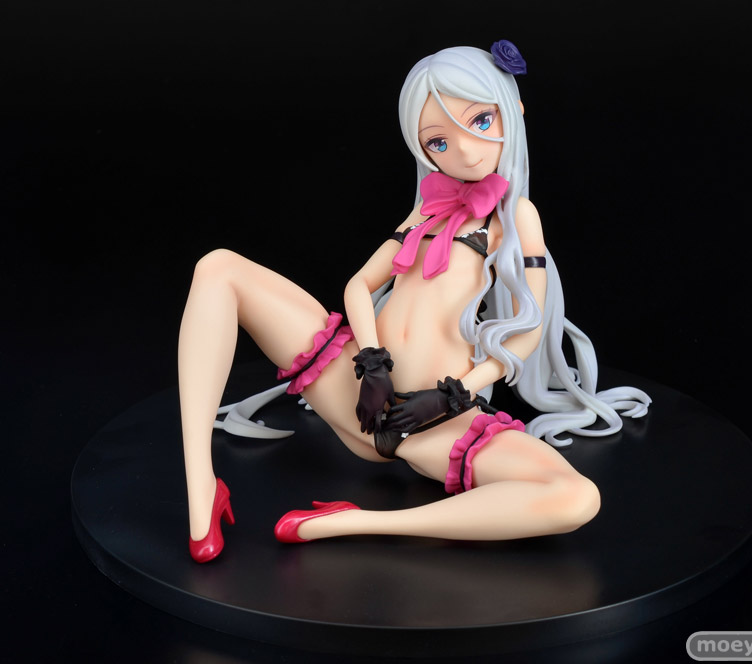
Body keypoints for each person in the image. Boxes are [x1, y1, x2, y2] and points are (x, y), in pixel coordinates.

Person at [179, 41, 650, 563]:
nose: (465, 151)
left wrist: (453, 396)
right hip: (355, 391)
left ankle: (354, 523)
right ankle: (202, 489)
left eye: (481, 121)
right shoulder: (426, 209)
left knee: (577, 496)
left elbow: (528, 328)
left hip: (433, 423)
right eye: (439, 141)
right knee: (218, 267)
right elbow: (359, 285)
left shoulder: (516, 216)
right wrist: (371, 364)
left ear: (512, 110)